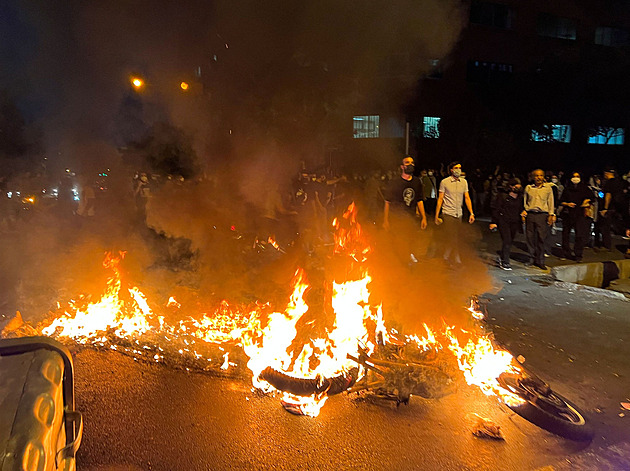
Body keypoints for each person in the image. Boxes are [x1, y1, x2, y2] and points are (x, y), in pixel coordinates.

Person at [434, 161, 475, 265]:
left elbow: (467, 198)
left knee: (456, 236)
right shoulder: (445, 182)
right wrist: (436, 215)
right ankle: (454, 257)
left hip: (458, 213)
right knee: (452, 236)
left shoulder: (463, 182)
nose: (458, 170)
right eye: (456, 168)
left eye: (460, 167)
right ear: (451, 170)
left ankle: (447, 256)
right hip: (448, 213)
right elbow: (440, 199)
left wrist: (471, 213)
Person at [521, 169, 555, 270]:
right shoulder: (528, 188)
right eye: (536, 176)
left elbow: (551, 202)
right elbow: (525, 201)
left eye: (540, 175)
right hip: (531, 214)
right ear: (533, 177)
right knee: (530, 237)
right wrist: (524, 212)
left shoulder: (548, 188)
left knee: (541, 237)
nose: (538, 177)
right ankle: (531, 258)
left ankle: (540, 260)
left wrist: (551, 214)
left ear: (543, 177)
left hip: (542, 215)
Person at [383, 156, 428, 231]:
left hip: (411, 218)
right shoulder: (394, 182)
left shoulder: (417, 182)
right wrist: (385, 220)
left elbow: (419, 200)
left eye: (412, 163)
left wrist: (424, 218)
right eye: (407, 163)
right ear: (402, 167)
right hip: (396, 218)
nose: (410, 164)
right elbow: (387, 202)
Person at [558, 172, 594, 262]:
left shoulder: (585, 188)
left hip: (580, 214)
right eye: (573, 176)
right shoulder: (567, 189)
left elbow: (592, 198)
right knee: (565, 234)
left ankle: (578, 254)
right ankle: (565, 252)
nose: (575, 178)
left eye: (577, 176)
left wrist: (586, 202)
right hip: (568, 214)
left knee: (579, 235)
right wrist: (567, 204)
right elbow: (561, 201)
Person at [489, 178, 524, 270]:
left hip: (515, 222)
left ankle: (503, 257)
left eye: (519, 184)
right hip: (504, 222)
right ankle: (505, 261)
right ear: (511, 186)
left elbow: (521, 208)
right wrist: (494, 222)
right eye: (516, 185)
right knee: (507, 240)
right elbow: (497, 209)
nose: (518, 187)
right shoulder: (503, 196)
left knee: (510, 241)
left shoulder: (521, 197)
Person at [599, 167, 625, 252]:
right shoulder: (619, 182)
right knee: (612, 226)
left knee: (605, 227)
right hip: (618, 207)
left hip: (610, 208)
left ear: (607, 173)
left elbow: (608, 195)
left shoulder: (609, 183)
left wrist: (605, 208)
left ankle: (606, 245)